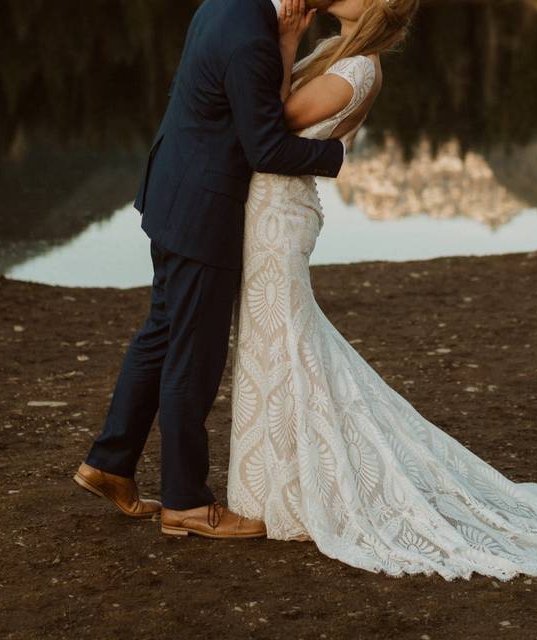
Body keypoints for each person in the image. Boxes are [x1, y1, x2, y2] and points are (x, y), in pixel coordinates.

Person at [226, 0, 537, 580]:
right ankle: (273, 486)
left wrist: (286, 40)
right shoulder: (334, 52)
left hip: (280, 217)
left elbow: (275, 120)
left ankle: (298, 489)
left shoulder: (359, 67)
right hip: (267, 207)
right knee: (274, 346)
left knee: (288, 344)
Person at [74, 0, 354, 539]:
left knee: (162, 331)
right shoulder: (253, 40)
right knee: (193, 357)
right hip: (203, 210)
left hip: (172, 193)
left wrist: (287, 42)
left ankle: (109, 463)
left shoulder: (229, 5)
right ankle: (185, 502)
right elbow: (266, 147)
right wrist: (334, 156)